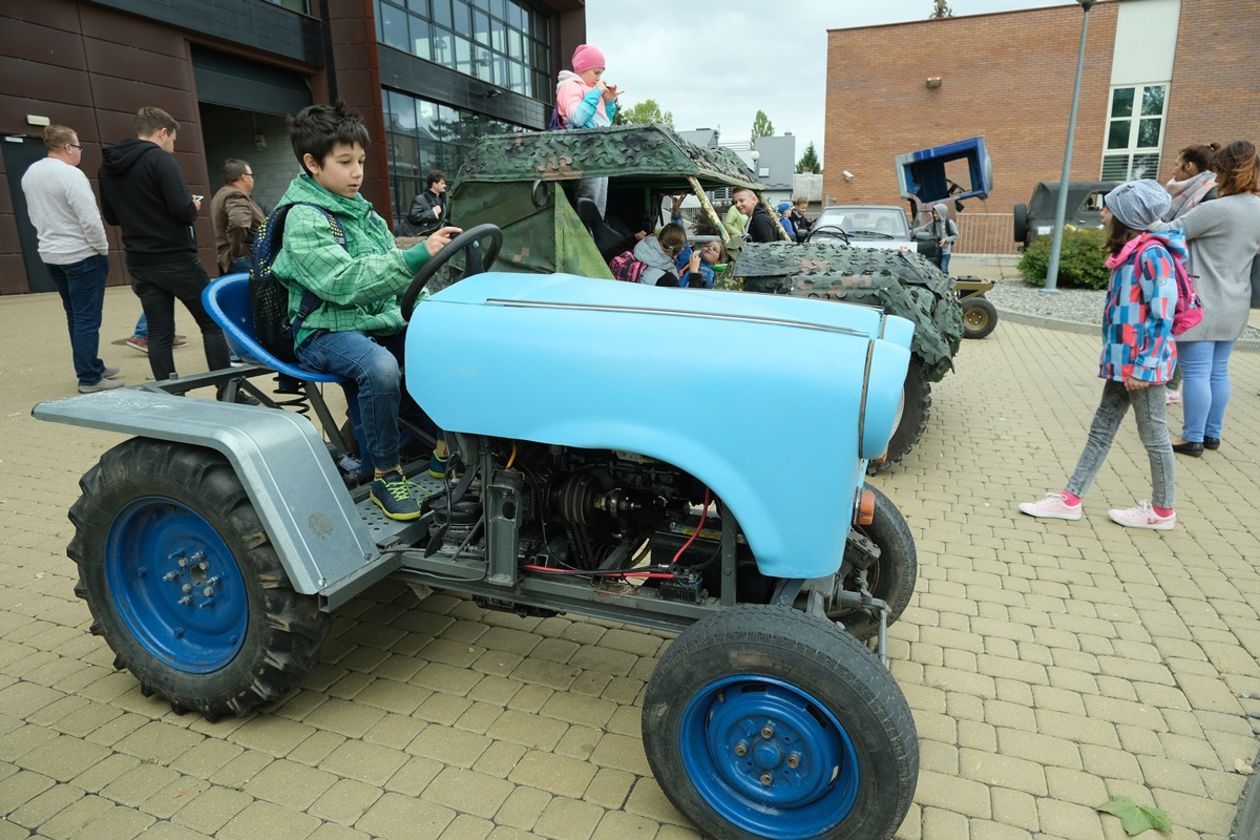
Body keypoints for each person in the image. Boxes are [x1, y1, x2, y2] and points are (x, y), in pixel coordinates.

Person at [270, 101, 459, 521]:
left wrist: (429, 314)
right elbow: (344, 281)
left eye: (360, 160)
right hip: (322, 330)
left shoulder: (364, 213)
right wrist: (412, 259)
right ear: (312, 164)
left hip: (368, 321)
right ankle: (385, 474)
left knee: (446, 342)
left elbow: (396, 280)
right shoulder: (305, 218)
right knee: (380, 368)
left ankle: (446, 447)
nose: (357, 171)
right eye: (344, 162)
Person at [1019, 180, 1181, 530]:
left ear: (1127, 215)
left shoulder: (1152, 254)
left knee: (1154, 436)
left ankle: (1163, 511)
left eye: (1108, 207)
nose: (1103, 212)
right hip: (1124, 367)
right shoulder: (1131, 253)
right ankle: (1071, 499)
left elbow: (1162, 315)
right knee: (1101, 430)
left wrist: (1144, 366)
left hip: (1141, 369)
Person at [98, 106, 232, 388]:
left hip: (139, 261)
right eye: (173, 139)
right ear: (162, 132)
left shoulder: (107, 168)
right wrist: (192, 206)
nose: (173, 147)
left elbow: (111, 216)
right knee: (212, 324)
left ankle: (170, 394)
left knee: (159, 333)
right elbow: (182, 211)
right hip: (175, 258)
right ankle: (227, 391)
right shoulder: (160, 161)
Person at [1149, 140, 1260, 456]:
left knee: (1196, 371)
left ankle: (1192, 437)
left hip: (1201, 302)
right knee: (1219, 370)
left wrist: (1137, 211)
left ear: (1225, 171)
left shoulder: (1216, 209)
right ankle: (1212, 434)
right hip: (1237, 301)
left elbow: (1168, 230)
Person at [20, 124, 121, 393]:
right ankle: (89, 377)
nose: (80, 152)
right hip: (82, 255)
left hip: (52, 255)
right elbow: (90, 219)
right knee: (88, 318)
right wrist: (101, 249)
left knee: (75, 315)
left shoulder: (31, 174)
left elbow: (34, 215)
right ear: (67, 147)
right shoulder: (71, 176)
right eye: (78, 146)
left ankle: (91, 364)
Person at [1160, 142, 1218, 405]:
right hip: (1181, 268)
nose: (1174, 169)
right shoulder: (1190, 192)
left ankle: (1172, 385)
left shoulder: (1209, 196)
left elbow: (1179, 229)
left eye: (1177, 163)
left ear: (1190, 167)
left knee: (1186, 331)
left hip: (1195, 273)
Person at [554, 44, 619, 217]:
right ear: (583, 68)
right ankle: (585, 237)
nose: (599, 78)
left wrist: (610, 103)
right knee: (588, 200)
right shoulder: (569, 86)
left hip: (596, 152)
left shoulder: (590, 90)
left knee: (598, 205)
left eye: (601, 74)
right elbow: (577, 117)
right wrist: (596, 93)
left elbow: (603, 123)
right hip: (583, 153)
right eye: (596, 72)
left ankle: (594, 238)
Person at [210, 158, 265, 275]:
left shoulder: (222, 193)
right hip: (243, 261)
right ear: (243, 177)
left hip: (234, 260)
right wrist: (239, 253)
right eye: (251, 175)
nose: (252, 179)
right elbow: (238, 223)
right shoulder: (236, 195)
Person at [912, 203, 958, 273]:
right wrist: (910, 232)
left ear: (942, 213)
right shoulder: (933, 223)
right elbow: (922, 229)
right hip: (936, 251)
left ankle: (946, 281)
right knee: (937, 269)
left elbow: (956, 236)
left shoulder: (949, 223)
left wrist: (946, 240)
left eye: (936, 213)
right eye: (934, 213)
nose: (934, 215)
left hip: (945, 252)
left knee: (944, 268)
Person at [399, 169, 448, 237]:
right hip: (422, 236)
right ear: (434, 185)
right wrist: (433, 213)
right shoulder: (420, 199)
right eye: (442, 183)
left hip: (437, 234)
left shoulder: (442, 199)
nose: (445, 185)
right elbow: (413, 216)